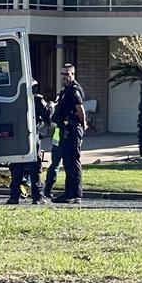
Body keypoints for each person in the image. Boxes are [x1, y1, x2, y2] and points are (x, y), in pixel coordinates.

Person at [7, 80, 53, 205]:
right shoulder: (37, 100)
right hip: (32, 136)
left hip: (18, 138)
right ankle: (37, 197)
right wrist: (50, 106)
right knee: (34, 167)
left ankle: (14, 197)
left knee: (16, 167)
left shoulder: (13, 99)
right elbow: (47, 116)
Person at [50, 63, 87, 204]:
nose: (65, 77)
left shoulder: (74, 90)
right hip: (64, 129)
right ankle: (68, 193)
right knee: (67, 161)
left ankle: (76, 194)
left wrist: (83, 125)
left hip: (72, 128)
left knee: (73, 162)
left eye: (67, 74)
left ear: (73, 74)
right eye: (63, 74)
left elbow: (80, 109)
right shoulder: (65, 90)